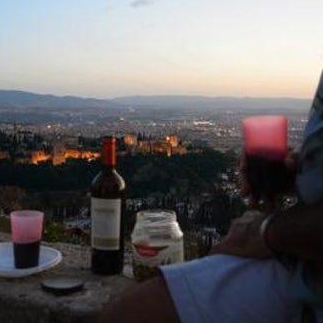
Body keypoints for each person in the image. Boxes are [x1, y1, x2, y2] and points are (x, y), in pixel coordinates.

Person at [99, 70, 323, 323]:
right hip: (305, 269)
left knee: (131, 313)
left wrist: (266, 232)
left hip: (309, 277)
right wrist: (305, 169)